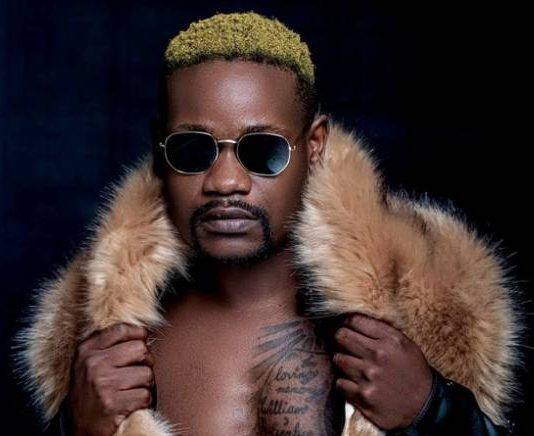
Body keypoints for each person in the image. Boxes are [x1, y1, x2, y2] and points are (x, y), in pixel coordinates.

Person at [14, 11, 523, 436]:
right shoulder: (106, 346)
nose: (225, 182)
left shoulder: (417, 316)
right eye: (193, 149)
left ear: (314, 146)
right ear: (159, 151)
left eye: (263, 150)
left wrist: (433, 411)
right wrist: (74, 429)